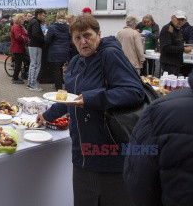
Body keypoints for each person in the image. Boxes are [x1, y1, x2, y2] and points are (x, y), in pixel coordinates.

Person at [36, 14, 145, 206]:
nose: (83, 41)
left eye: (87, 35)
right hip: (82, 155)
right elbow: (70, 98)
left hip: (109, 153)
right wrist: (46, 115)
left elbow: (134, 92)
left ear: (99, 34)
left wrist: (92, 98)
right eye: (77, 38)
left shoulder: (109, 54)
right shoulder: (76, 62)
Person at [124, 0, 193, 206]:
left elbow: (137, 183)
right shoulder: (162, 112)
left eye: (183, 20)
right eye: (178, 20)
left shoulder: (163, 112)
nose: (180, 23)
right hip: (167, 63)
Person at [159, 10, 193, 75]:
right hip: (169, 63)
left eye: (182, 20)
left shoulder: (178, 29)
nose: (180, 21)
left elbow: (177, 44)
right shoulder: (167, 28)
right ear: (172, 18)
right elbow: (166, 47)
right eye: (178, 19)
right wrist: (183, 49)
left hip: (176, 62)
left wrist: (185, 48)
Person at [44, 10, 71, 90]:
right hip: (65, 52)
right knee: (61, 71)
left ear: (57, 17)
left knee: (56, 71)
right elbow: (70, 38)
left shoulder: (53, 27)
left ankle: (59, 89)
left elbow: (47, 40)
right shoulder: (68, 27)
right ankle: (62, 86)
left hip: (54, 53)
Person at [26, 8, 46, 91]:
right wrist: (44, 38)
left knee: (33, 64)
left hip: (33, 45)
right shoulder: (35, 23)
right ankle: (33, 84)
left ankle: (30, 83)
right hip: (36, 46)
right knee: (36, 65)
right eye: (43, 15)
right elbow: (35, 35)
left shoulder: (33, 22)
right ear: (38, 15)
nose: (44, 17)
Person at [10, 13, 29, 84]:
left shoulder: (19, 26)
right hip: (17, 48)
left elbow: (22, 35)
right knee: (18, 64)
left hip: (19, 48)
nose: (23, 20)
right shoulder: (16, 26)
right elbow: (19, 37)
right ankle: (15, 78)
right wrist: (28, 39)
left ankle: (16, 77)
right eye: (22, 19)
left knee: (19, 63)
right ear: (19, 19)